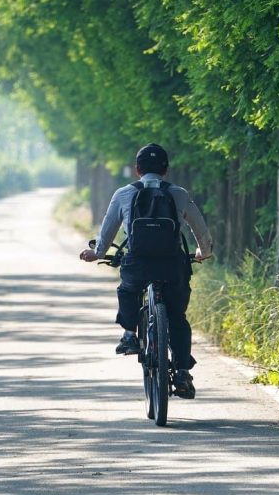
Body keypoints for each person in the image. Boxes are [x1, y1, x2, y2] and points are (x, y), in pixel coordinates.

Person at [79, 143, 213, 399]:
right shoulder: (179, 193)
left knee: (128, 289)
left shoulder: (123, 193)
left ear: (137, 170)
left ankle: (129, 334)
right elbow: (200, 228)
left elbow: (107, 231)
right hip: (173, 265)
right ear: (166, 169)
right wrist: (203, 253)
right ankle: (182, 371)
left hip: (138, 263)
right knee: (177, 318)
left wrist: (96, 252)